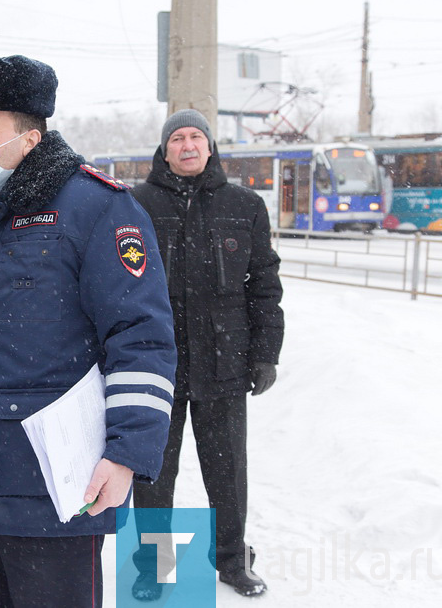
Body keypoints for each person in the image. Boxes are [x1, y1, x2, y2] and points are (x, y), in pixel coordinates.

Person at [0, 55, 177, 607]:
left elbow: (140, 340)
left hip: (54, 488)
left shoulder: (97, 209)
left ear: (30, 136)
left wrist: (126, 454)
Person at [129, 109, 285, 599]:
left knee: (227, 471)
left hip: (225, 360)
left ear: (211, 146)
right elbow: (120, 287)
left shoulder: (245, 204)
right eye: (178, 138)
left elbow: (264, 284)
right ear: (165, 149)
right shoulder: (135, 204)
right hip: (157, 363)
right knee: (153, 475)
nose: (188, 145)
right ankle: (154, 567)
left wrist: (265, 353)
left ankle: (233, 562)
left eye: (197, 136)